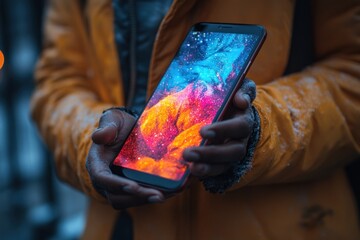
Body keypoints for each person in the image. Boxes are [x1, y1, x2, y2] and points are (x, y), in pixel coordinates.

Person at [31, 0, 360, 239]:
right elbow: (58, 81)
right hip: (121, 227)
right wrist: (92, 135)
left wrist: (262, 129)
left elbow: (352, 74)